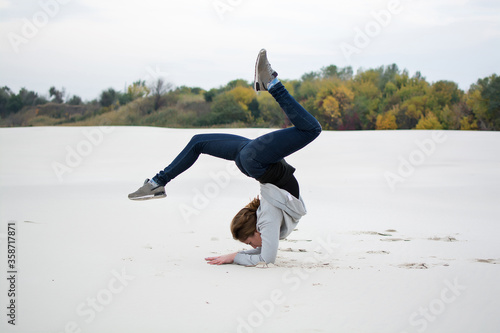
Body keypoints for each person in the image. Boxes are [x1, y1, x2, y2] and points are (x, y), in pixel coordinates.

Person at [128, 49, 322, 266]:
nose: (253, 246)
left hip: (255, 161)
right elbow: (268, 258)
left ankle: (157, 184)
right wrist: (236, 256)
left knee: (198, 142)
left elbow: (264, 255)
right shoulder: (268, 223)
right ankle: (271, 83)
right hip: (254, 161)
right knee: (311, 129)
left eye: (249, 242)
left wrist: (233, 257)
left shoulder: (268, 219)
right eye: (249, 243)